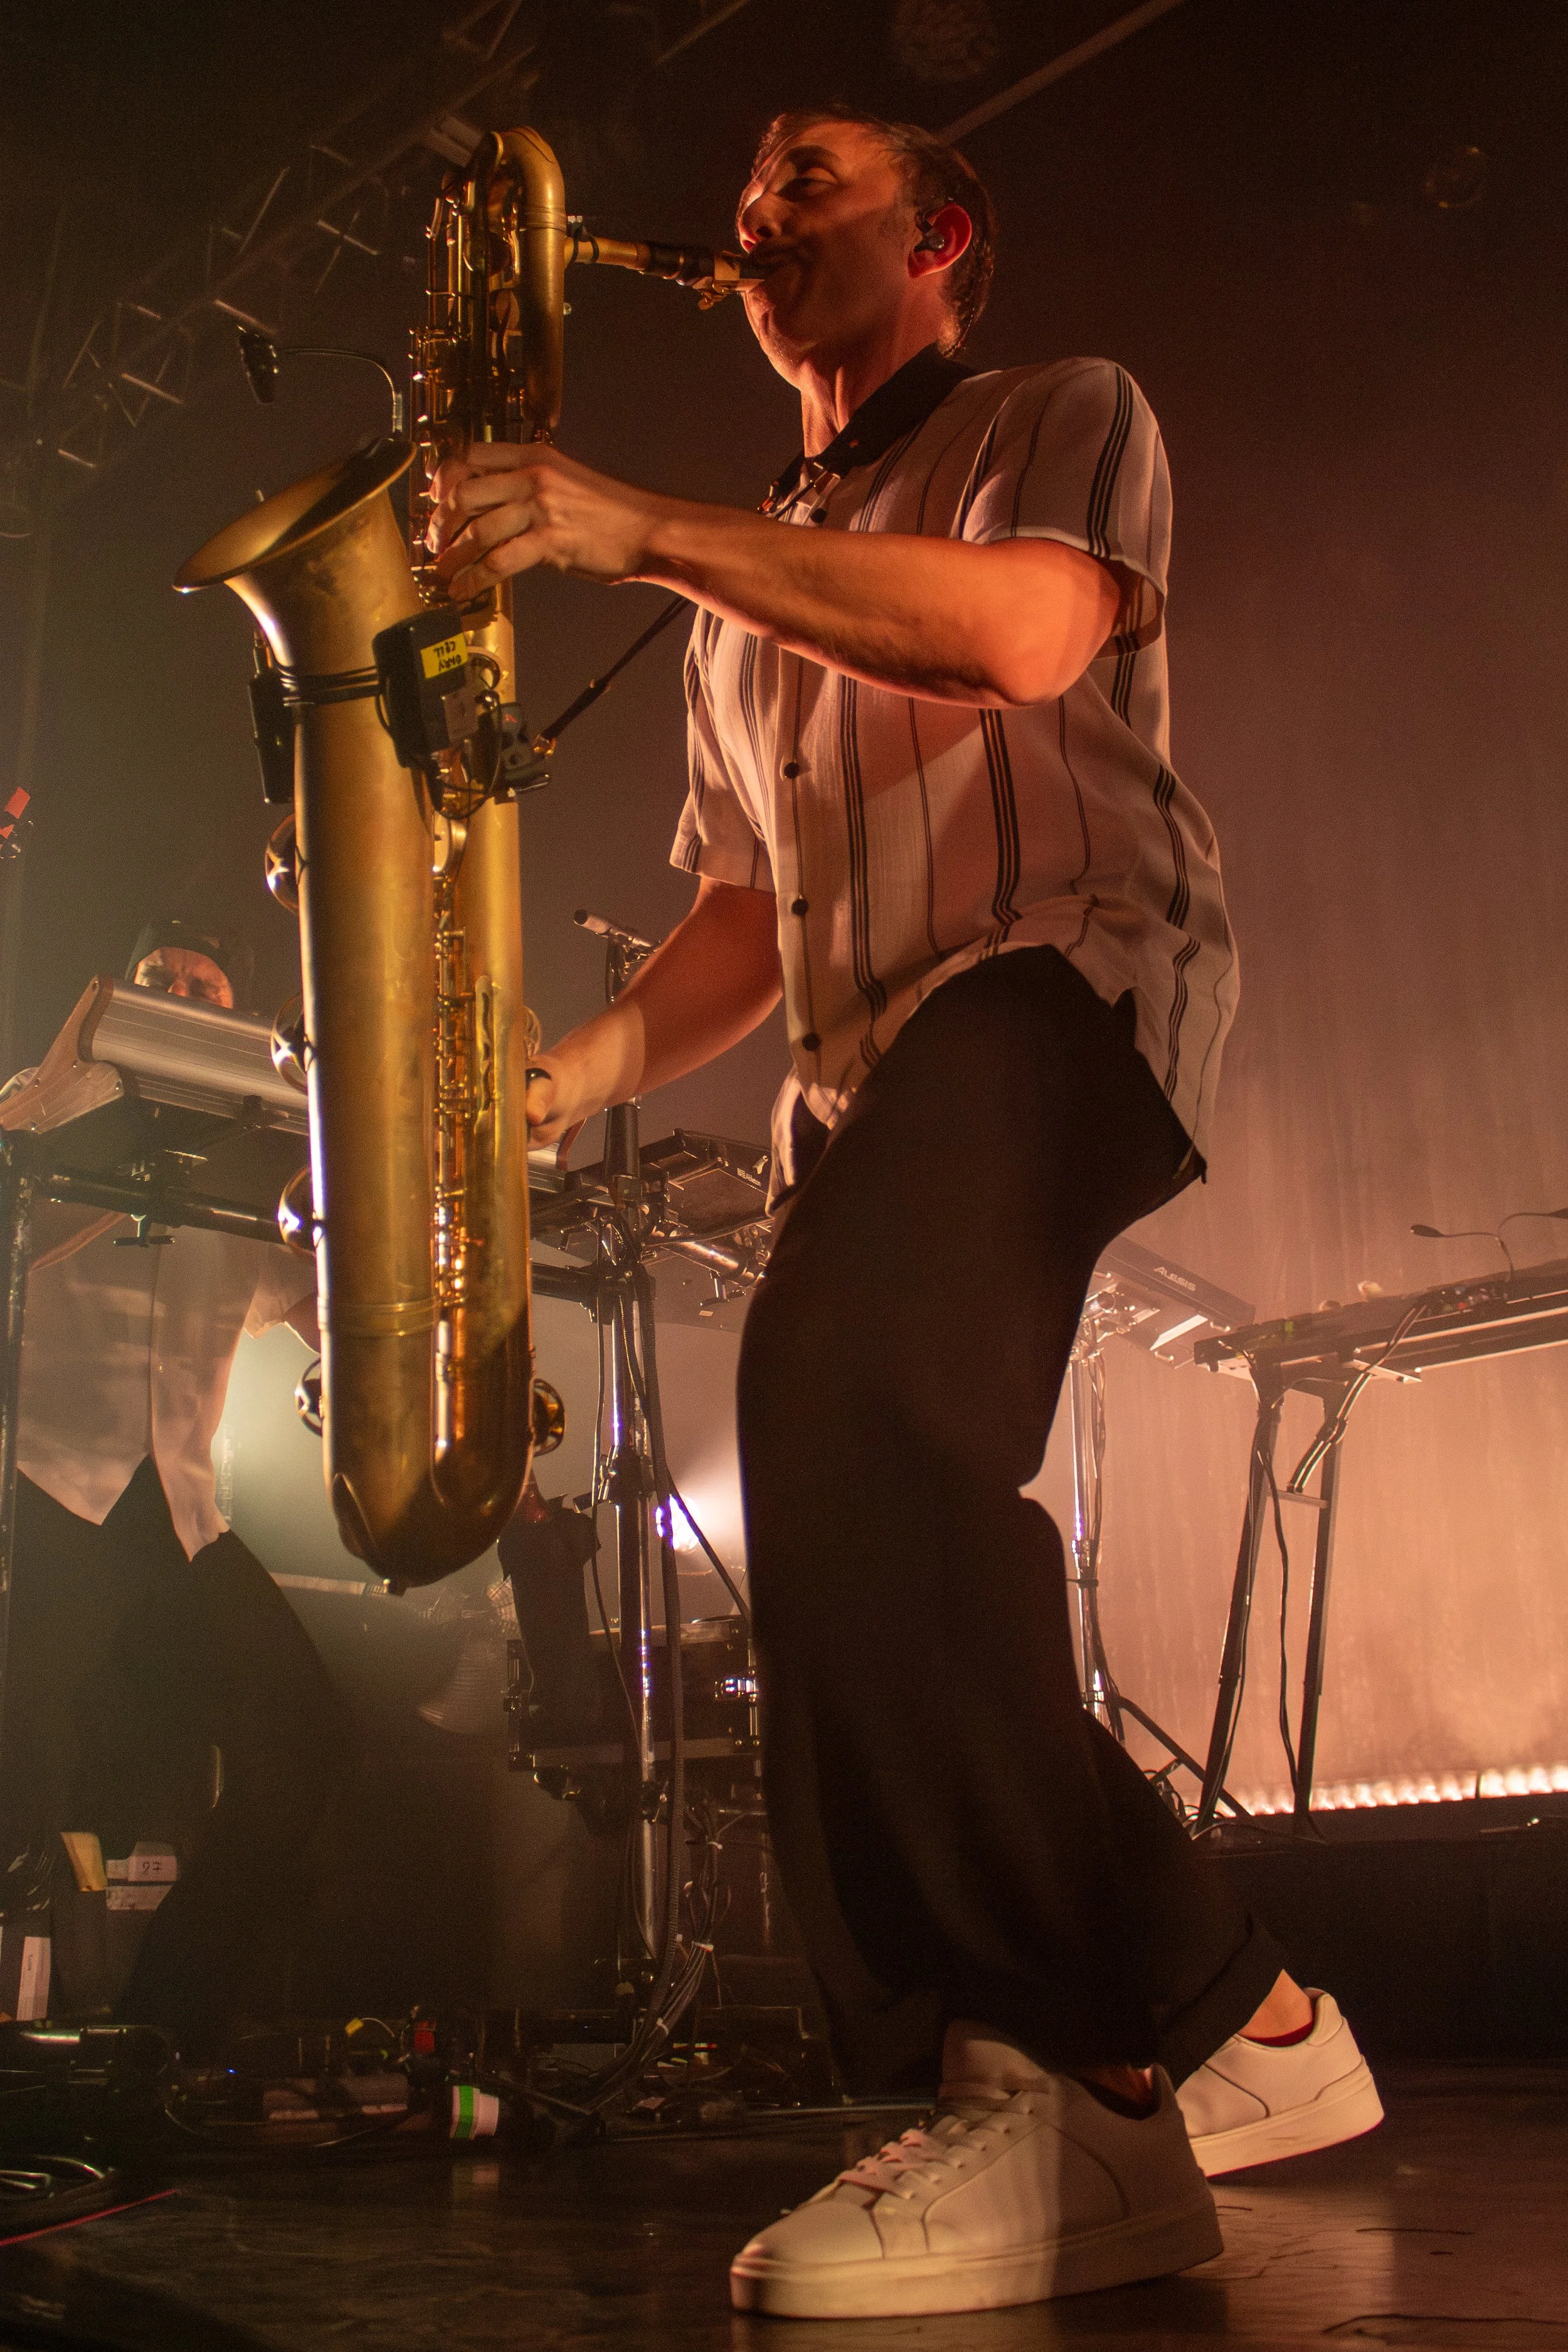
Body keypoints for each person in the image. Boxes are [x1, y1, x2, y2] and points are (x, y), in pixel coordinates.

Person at [430, 109, 1382, 2321]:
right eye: (752, 185)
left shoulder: (1061, 413)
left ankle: (1067, 2097)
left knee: (846, 1401)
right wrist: (555, 1076)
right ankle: (1239, 2015)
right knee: (860, 1511)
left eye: (809, 175)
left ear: (938, 232)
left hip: (1066, 980)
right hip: (865, 1084)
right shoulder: (745, 576)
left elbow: (1023, 641)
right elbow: (736, 922)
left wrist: (638, 527)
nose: (753, 205)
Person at [1, 918, 343, 2043]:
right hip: (47, 1494)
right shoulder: (43, 1102)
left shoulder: (258, 1163)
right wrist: (113, 1127)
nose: (185, 995)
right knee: (16, 1758)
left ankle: (167, 2030)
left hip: (180, 1516)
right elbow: (14, 1224)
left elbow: (325, 1309)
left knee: (303, 1742)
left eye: (207, 986)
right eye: (162, 982)